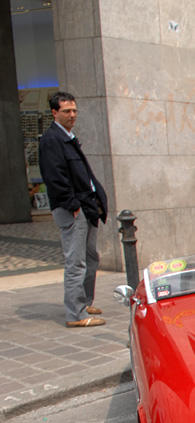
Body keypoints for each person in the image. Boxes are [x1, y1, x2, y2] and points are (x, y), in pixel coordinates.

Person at [38, 91, 109, 328]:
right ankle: (75, 314)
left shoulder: (69, 136)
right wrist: (73, 206)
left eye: (74, 110)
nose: (72, 115)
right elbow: (54, 177)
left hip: (86, 207)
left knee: (91, 258)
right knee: (76, 262)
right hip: (73, 209)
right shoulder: (52, 139)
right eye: (67, 111)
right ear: (54, 113)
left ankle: (85, 302)